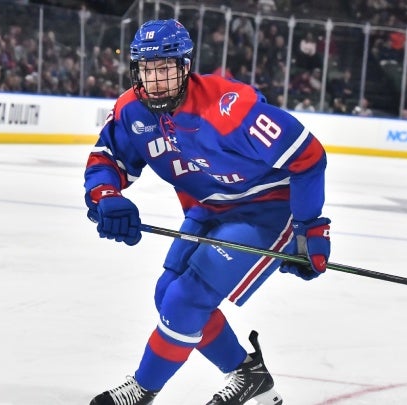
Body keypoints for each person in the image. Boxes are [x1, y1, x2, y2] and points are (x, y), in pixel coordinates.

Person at [83, 19, 330, 405]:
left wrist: (309, 227)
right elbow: (107, 158)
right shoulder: (132, 110)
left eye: (166, 68)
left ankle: (144, 387)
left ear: (185, 66)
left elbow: (308, 156)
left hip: (266, 209)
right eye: (147, 69)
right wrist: (105, 196)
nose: (156, 79)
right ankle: (251, 379)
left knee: (185, 299)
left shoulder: (230, 108)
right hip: (209, 207)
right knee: (168, 293)